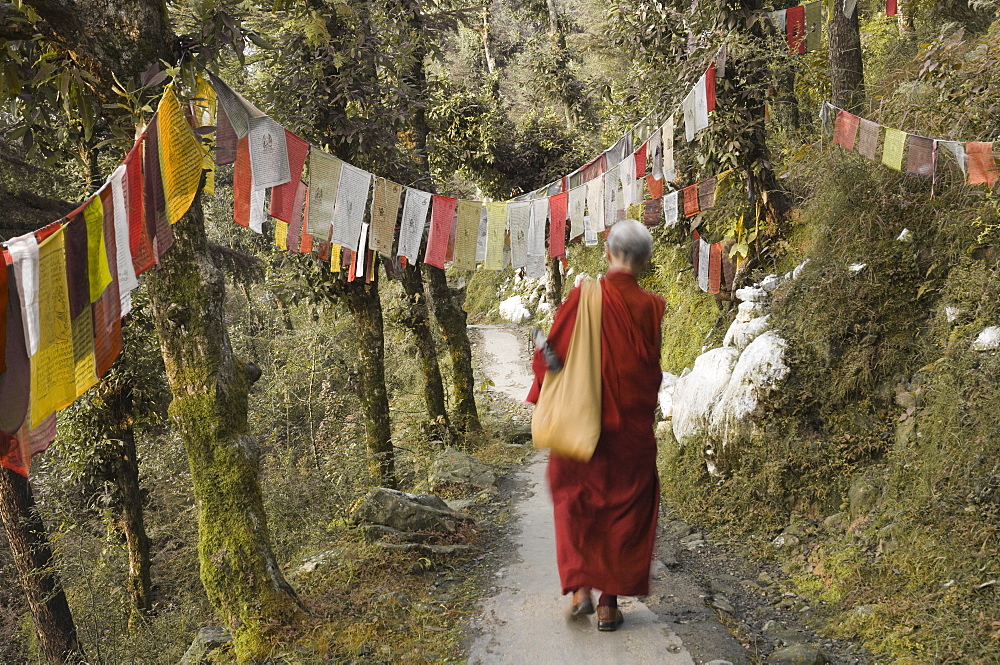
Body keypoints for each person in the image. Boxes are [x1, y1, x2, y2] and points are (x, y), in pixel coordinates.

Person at [526, 219, 665, 632]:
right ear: (645, 261)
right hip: (630, 434)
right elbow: (648, 368)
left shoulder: (584, 297)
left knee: (576, 502)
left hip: (582, 426)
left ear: (608, 253)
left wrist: (541, 375)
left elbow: (552, 356)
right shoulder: (652, 306)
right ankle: (608, 604)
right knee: (623, 512)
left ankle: (580, 590)